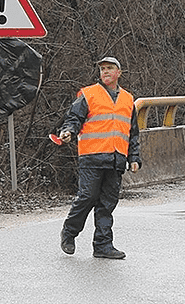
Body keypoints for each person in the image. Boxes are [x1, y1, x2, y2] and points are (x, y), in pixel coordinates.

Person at [58, 56, 142, 259]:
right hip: (92, 156)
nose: (105, 72)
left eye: (110, 68)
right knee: (87, 197)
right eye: (103, 69)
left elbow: (132, 132)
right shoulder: (88, 94)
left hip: (116, 158)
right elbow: (74, 118)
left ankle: (103, 245)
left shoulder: (128, 99)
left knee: (107, 203)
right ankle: (69, 233)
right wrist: (68, 131)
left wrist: (134, 158)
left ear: (118, 73)